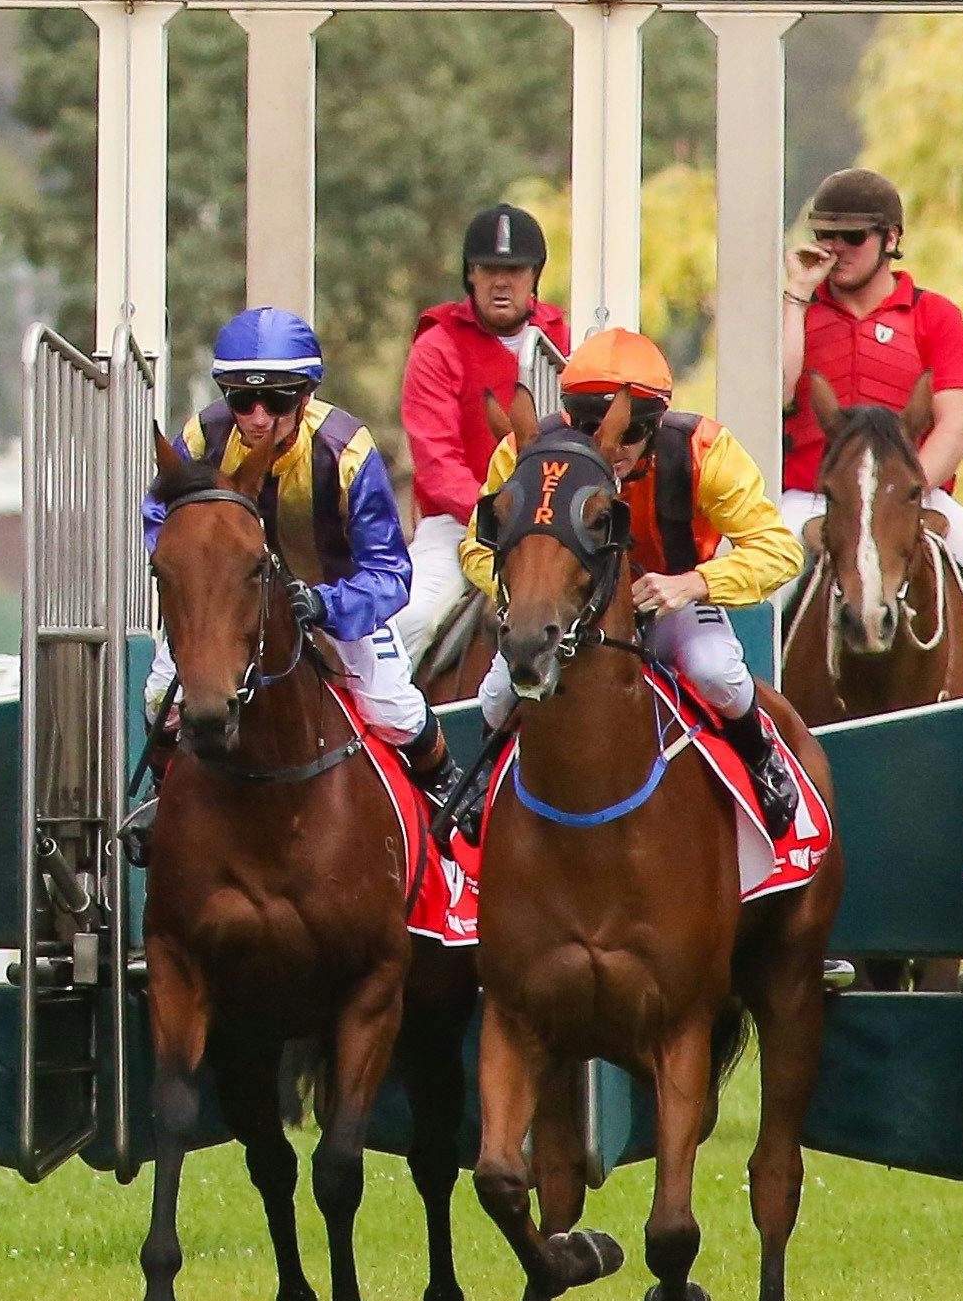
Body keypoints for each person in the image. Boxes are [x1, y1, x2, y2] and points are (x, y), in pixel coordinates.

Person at [456, 326, 809, 835]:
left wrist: (694, 583)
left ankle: (762, 760)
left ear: (656, 421)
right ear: (569, 416)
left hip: (669, 600)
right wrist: (533, 593)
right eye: (589, 426)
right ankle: (479, 783)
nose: (613, 447)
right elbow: (475, 547)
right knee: (495, 694)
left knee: (716, 672)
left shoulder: (704, 450)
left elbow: (780, 550)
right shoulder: (524, 454)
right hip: (569, 609)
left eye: (631, 431)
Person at [141, 307, 452, 801]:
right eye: (242, 399)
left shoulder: (347, 450)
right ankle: (160, 800)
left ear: (306, 396)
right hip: (225, 605)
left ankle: (446, 803)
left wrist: (325, 603)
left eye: (277, 399)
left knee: (394, 709)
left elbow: (389, 572)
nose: (258, 417)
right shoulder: (201, 439)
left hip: (335, 601)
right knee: (162, 698)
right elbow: (161, 520)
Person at [776, 167, 963, 593]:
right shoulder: (795, 312)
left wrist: (900, 492)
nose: (836, 249)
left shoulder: (937, 315)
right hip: (808, 497)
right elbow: (775, 394)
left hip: (913, 492)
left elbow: (955, 427)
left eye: (854, 237)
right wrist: (796, 294)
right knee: (758, 576)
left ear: (891, 239)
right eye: (825, 235)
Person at [395, 203, 568, 647]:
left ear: (535, 275)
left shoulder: (566, 340)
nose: (501, 282)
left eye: (515, 270)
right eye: (489, 269)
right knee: (411, 619)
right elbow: (437, 464)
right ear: (470, 274)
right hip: (459, 524)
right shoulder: (437, 346)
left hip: (557, 524)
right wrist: (500, 514)